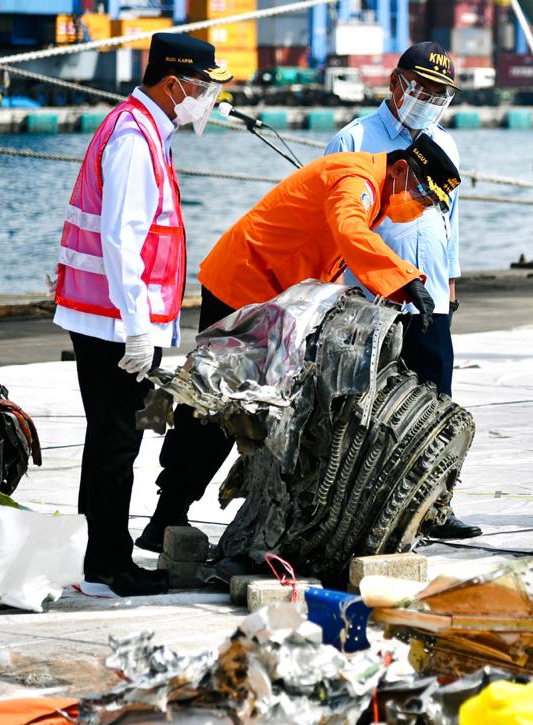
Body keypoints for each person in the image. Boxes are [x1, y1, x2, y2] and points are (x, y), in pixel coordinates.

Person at [135, 135, 459, 551]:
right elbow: (349, 229)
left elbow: (331, 255)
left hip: (272, 295)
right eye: (421, 195)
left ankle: (185, 514)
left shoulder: (375, 189)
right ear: (400, 170)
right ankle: (166, 517)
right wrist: (406, 280)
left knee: (255, 406)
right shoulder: (357, 180)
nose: (419, 206)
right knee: (218, 403)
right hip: (245, 284)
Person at [53, 34, 231, 596]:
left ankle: (98, 555)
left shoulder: (146, 129)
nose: (207, 100)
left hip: (111, 316)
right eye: (202, 88)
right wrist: (137, 328)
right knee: (117, 443)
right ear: (173, 84)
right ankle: (110, 564)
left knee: (110, 439)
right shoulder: (134, 138)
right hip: (115, 322)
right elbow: (121, 239)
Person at [324, 41, 481, 539]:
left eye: (441, 94)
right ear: (396, 83)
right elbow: (336, 227)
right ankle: (361, 514)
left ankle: (435, 508)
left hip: (430, 299)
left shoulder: (445, 144)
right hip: (370, 303)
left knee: (436, 405)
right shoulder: (355, 140)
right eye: (423, 89)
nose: (430, 101)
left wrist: (450, 286)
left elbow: (450, 223)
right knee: (364, 413)